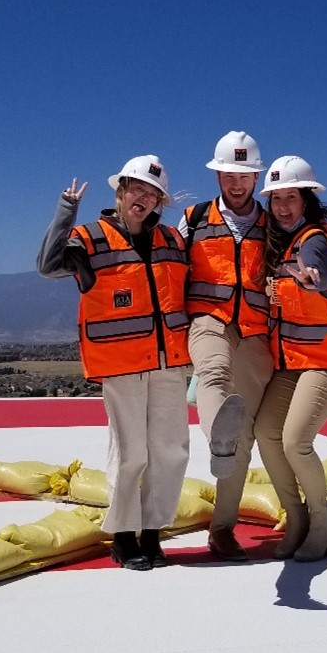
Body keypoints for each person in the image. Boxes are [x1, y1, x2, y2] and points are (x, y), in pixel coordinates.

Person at [37, 155, 192, 571]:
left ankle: (153, 534)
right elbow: (48, 265)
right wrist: (66, 211)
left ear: (160, 201)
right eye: (136, 190)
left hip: (169, 363)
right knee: (130, 454)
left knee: (170, 451)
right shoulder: (90, 240)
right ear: (120, 192)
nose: (143, 199)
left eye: (152, 194)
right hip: (122, 365)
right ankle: (124, 538)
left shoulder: (173, 244)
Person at [177, 131, 275, 562]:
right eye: (229, 175)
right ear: (217, 175)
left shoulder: (273, 226)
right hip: (207, 320)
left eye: (246, 175)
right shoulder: (193, 219)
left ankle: (222, 530)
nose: (237, 184)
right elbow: (165, 268)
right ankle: (219, 439)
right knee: (213, 374)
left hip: (255, 333)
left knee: (247, 438)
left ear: (257, 178)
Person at [252, 155, 327, 562]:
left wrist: (312, 279)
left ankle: (321, 520)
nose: (283, 206)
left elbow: (320, 276)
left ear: (306, 199)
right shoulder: (276, 242)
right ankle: (294, 517)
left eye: (291, 197)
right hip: (290, 360)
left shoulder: (313, 239)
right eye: (276, 198)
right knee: (265, 432)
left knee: (296, 441)